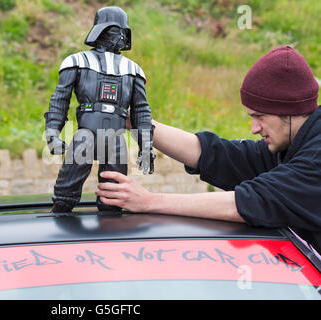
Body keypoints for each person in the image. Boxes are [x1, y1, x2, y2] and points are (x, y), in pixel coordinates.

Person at [96, 45, 321, 253]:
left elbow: (252, 202)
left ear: (289, 110)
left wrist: (148, 202)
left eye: (260, 117)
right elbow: (223, 156)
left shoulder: (315, 160)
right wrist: (135, 122)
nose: (254, 128)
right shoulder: (295, 144)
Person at [44, 6, 155, 213]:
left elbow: (141, 110)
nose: (121, 37)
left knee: (114, 197)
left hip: (116, 138)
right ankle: (59, 222)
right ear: (102, 30)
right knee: (65, 193)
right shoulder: (77, 61)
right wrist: (52, 131)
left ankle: (111, 229)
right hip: (86, 134)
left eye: (124, 32)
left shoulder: (133, 69)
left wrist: (146, 144)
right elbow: (60, 99)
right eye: (116, 31)